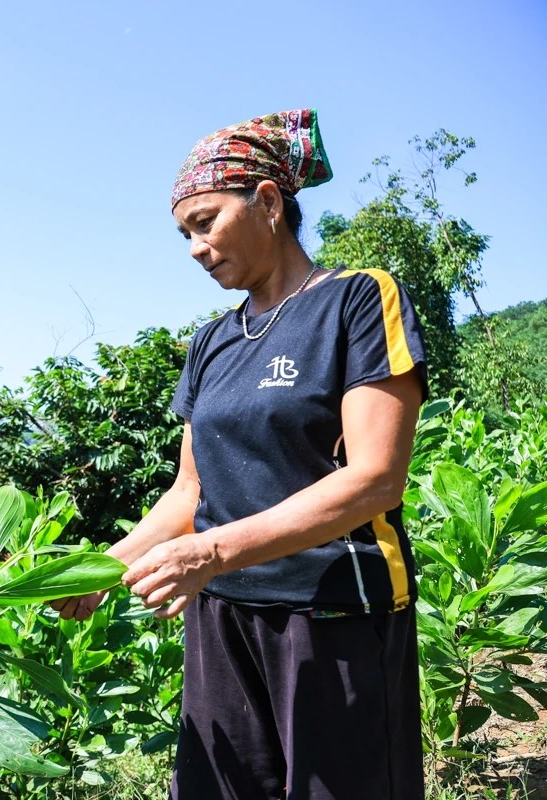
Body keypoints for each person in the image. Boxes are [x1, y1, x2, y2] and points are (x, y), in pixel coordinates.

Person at [53, 110, 427, 799]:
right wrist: (101, 569)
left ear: (268, 202)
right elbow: (188, 493)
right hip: (222, 615)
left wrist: (211, 552)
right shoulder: (211, 342)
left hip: (333, 612)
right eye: (183, 233)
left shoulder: (356, 301)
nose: (194, 247)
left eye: (205, 221)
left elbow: (376, 480)